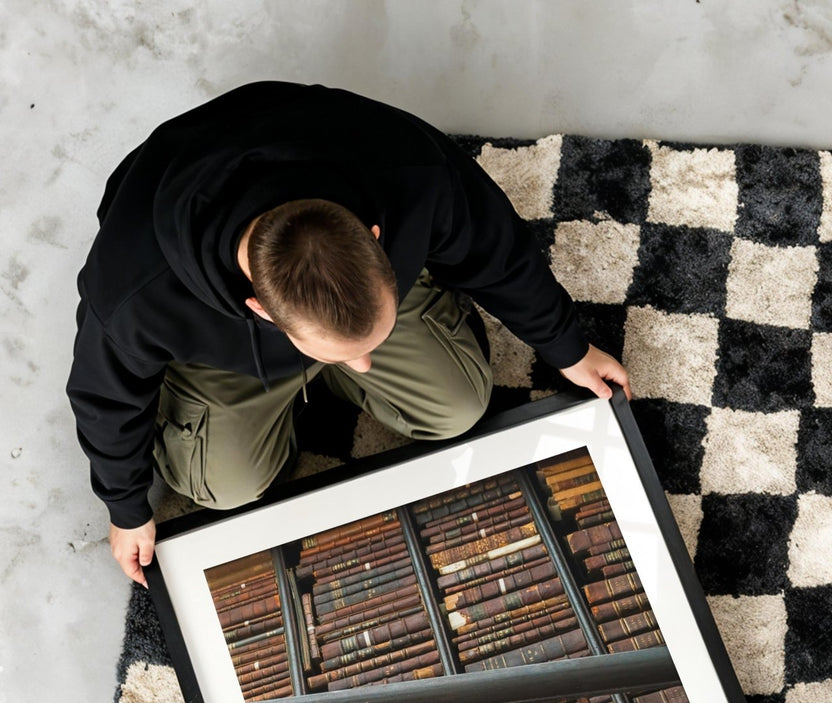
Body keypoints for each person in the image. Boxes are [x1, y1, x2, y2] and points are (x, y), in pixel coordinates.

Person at [67, 81, 631, 587]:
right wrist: (125, 507)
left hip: (345, 261)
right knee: (226, 488)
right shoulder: (134, 293)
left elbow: (498, 252)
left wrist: (568, 346)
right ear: (262, 312)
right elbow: (105, 396)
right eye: (345, 355)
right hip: (219, 356)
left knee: (458, 408)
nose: (363, 365)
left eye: (368, 345)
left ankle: (360, 329)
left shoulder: (411, 168)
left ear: (377, 238)